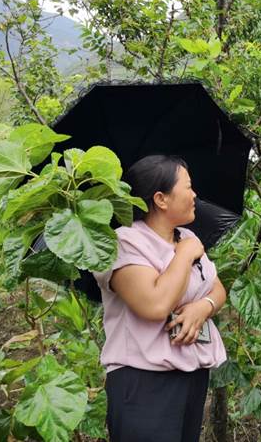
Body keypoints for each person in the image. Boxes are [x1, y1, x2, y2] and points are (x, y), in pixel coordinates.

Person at [94, 155, 227, 442]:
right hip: (143, 381)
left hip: (192, 375)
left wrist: (202, 308)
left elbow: (217, 288)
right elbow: (155, 304)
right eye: (188, 187)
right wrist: (184, 255)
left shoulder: (187, 237)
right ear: (161, 199)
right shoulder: (124, 242)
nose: (195, 195)